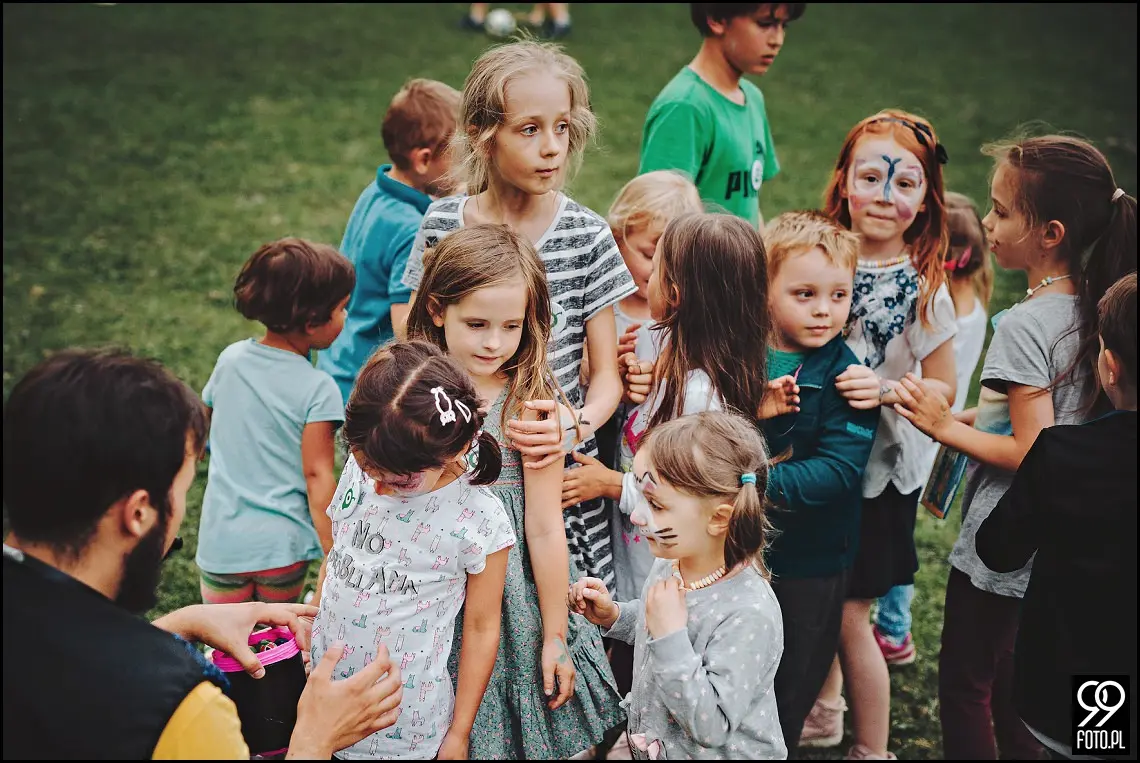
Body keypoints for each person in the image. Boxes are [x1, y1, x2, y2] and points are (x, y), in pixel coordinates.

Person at [2, 348, 404, 759]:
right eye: (182, 490)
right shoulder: (182, 708)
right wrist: (314, 741)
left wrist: (183, 624)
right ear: (139, 513)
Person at [893, 138, 1137, 760]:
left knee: (966, 682)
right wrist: (970, 414)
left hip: (1008, 531)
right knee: (1016, 682)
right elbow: (1050, 415)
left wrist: (943, 427)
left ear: (1049, 232)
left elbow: (1034, 449)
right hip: (1067, 536)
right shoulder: (1098, 301)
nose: (989, 226)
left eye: (1001, 212)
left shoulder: (1026, 325)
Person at [400, 40, 637, 589]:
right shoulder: (441, 224)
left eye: (562, 127)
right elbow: (418, 347)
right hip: (455, 467)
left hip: (554, 477)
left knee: (555, 615)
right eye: (530, 129)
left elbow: (605, 377)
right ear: (485, 135)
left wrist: (572, 423)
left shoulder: (588, 237)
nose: (552, 147)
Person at [406, 225, 625, 758]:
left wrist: (554, 634)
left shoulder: (531, 406)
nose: (494, 343)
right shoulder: (406, 393)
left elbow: (545, 526)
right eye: (476, 324)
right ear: (437, 310)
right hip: (426, 594)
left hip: (516, 602)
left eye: (511, 326)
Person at [809, 109, 959, 760]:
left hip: (879, 476)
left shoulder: (925, 287)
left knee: (850, 615)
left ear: (926, 202)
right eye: (871, 176)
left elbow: (947, 387)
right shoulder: (817, 255)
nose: (885, 195)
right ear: (843, 182)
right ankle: (823, 713)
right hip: (817, 462)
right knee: (821, 596)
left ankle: (872, 748)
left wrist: (891, 391)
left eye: (905, 184)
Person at [309, 340, 517, 760]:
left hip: (403, 731)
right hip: (319, 700)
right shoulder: (366, 463)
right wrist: (315, 612)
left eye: (400, 481)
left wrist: (459, 734)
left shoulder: (478, 521)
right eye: (369, 469)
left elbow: (480, 629)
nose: (379, 487)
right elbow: (339, 549)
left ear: (454, 450)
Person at [975, 271, 1137, 761]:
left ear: (1109, 366)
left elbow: (999, 550)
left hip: (1096, 678)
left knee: (1099, 754)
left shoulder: (1065, 454)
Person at [570, 410, 787, 760]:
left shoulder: (749, 613)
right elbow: (655, 620)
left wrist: (671, 638)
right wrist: (615, 616)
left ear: (718, 519)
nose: (638, 515)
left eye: (655, 503)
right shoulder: (671, 564)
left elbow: (711, 726)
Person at [757, 210, 881, 755]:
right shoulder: (739, 354)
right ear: (765, 289)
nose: (824, 310)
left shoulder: (849, 379)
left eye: (838, 294)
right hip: (735, 553)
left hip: (811, 561)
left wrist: (745, 485)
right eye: (804, 293)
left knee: (789, 685)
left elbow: (837, 471)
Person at [873, 189, 994, 666]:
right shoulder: (974, 304)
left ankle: (895, 630)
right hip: (939, 429)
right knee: (904, 532)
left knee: (900, 537)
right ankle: (893, 626)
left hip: (923, 432)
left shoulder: (945, 315)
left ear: (950, 256)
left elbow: (924, 378)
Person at [197, 238, 354, 606]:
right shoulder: (319, 389)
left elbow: (202, 423)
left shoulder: (231, 360)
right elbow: (317, 475)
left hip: (222, 543)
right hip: (280, 549)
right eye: (342, 309)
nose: (346, 318)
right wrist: (334, 548)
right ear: (313, 322)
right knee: (272, 645)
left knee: (225, 642)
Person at [317, 78, 461, 405]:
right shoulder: (412, 227)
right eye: (459, 157)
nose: (466, 169)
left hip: (339, 357)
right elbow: (405, 326)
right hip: (365, 382)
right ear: (424, 160)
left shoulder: (378, 192)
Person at [638, 3, 806, 230]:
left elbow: (749, 203)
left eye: (783, 25)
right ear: (716, 19)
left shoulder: (753, 98)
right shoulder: (685, 106)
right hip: (700, 265)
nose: (777, 39)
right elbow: (655, 219)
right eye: (765, 24)